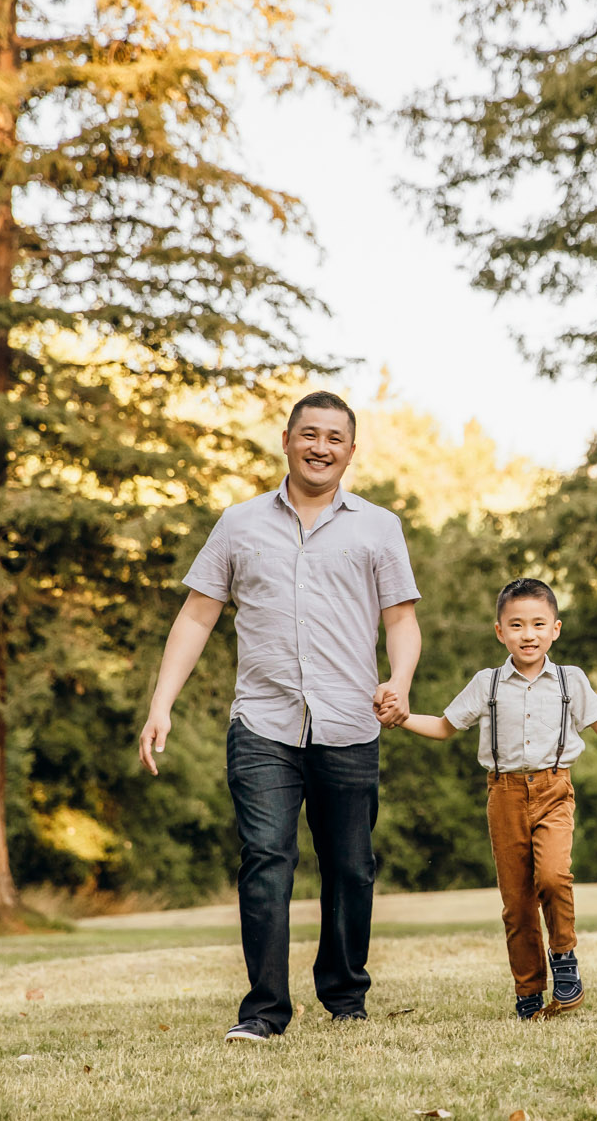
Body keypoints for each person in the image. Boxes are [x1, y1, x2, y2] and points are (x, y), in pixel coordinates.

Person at [139, 391, 421, 1043]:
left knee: (350, 864)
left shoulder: (378, 527)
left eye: (335, 437)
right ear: (287, 438)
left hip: (350, 722)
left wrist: (398, 681)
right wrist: (162, 703)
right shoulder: (238, 524)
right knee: (266, 856)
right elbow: (197, 615)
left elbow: (401, 619)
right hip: (263, 722)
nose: (321, 447)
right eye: (309, 434)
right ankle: (264, 1009)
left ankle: (345, 992)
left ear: (351, 450)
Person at [398, 577, 597, 1020]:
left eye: (537, 624)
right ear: (499, 632)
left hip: (554, 790)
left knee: (553, 876)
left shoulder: (571, 681)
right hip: (504, 794)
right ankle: (528, 993)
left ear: (555, 629)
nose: (527, 634)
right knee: (517, 903)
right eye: (516, 625)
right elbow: (444, 726)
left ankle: (564, 957)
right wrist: (401, 716)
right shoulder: (486, 684)